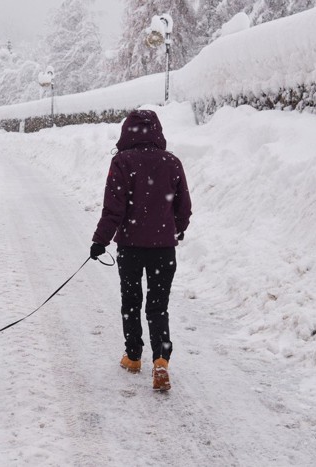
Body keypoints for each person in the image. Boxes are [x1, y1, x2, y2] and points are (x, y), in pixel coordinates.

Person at [90, 109, 192, 391]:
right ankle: (161, 360)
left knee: (131, 302)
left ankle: (134, 356)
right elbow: (183, 207)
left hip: (131, 248)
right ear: (157, 131)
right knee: (158, 307)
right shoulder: (172, 162)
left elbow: (114, 209)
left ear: (127, 132)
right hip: (163, 250)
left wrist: (100, 241)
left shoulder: (122, 161)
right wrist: (176, 229)